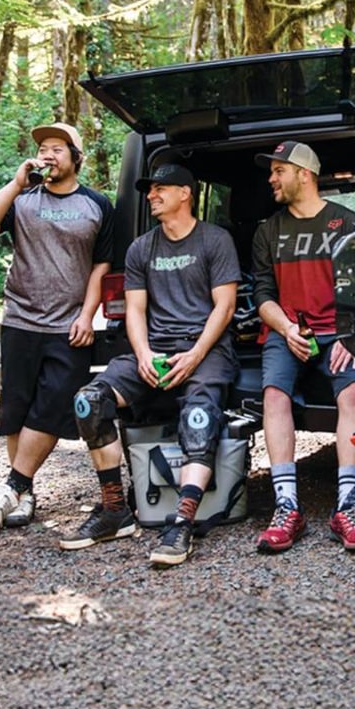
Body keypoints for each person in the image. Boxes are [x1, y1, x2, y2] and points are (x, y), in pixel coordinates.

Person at [66, 163, 239, 566]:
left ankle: (181, 523)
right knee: (88, 403)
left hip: (206, 350)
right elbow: (135, 311)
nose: (152, 195)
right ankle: (114, 510)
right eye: (150, 190)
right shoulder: (142, 247)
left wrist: (195, 354)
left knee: (198, 417)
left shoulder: (215, 240)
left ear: (185, 193)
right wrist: (143, 355)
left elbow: (225, 306)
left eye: (161, 188)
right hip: (156, 350)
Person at [0, 123, 113, 530]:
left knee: (50, 408)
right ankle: (24, 494)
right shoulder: (23, 200)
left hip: (69, 326)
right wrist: (14, 185)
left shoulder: (96, 205)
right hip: (21, 320)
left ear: (76, 158)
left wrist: (87, 314)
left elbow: (102, 265)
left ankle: (14, 483)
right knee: (17, 410)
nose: (48, 155)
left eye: (58, 149)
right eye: (43, 148)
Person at [250, 140, 355, 554]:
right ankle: (287, 507)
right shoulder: (268, 230)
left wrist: (351, 334)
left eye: (278, 171)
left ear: (303, 174)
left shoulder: (347, 224)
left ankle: (348, 508)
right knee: (274, 396)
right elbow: (263, 295)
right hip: (289, 332)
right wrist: (287, 328)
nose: (271, 178)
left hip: (339, 331)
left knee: (354, 393)